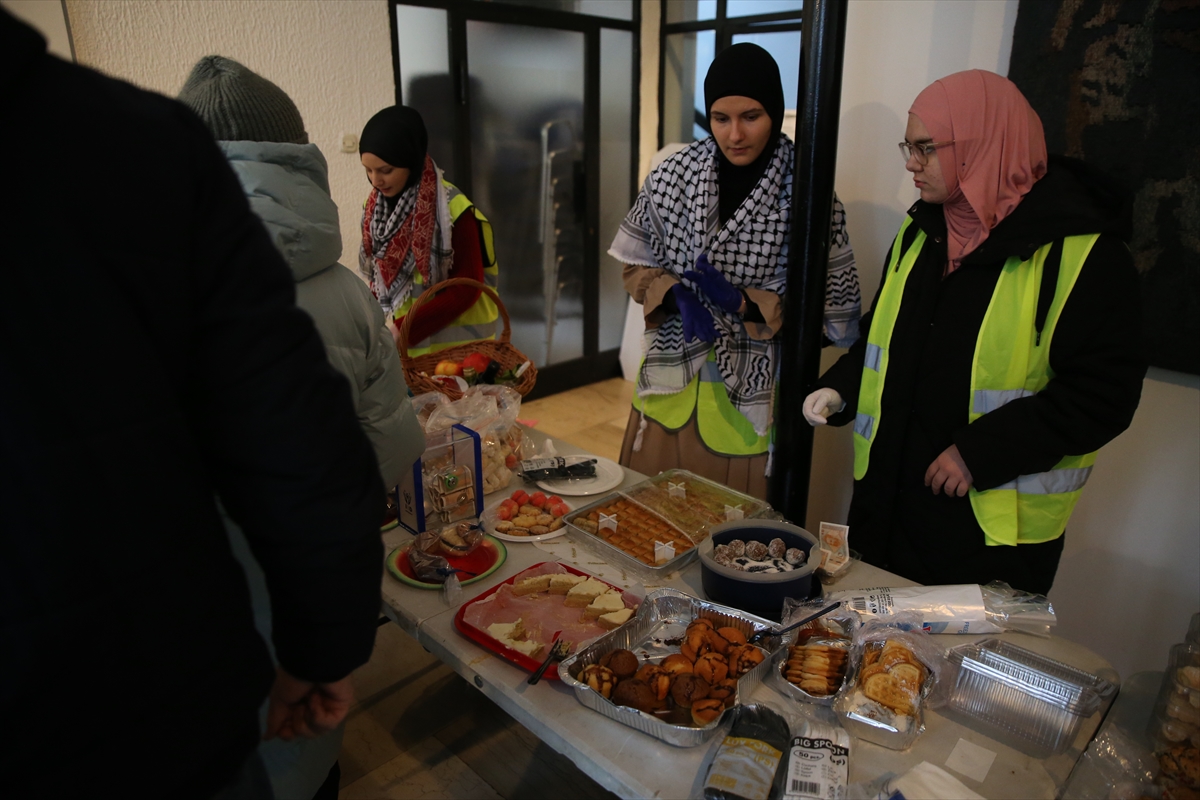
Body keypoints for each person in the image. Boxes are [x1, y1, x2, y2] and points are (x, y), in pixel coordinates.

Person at [2, 11, 386, 798]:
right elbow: (322, 454)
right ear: (306, 153)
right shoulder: (137, 152)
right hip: (171, 689)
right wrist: (324, 645)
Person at [178, 56, 427, 799]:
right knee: (308, 746)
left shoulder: (144, 287)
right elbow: (395, 442)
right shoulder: (346, 292)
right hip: (316, 587)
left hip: (194, 603)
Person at [803, 70, 1146, 595]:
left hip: (986, 541)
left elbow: (1104, 394)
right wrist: (842, 387)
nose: (910, 164)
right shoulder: (921, 232)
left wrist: (980, 451)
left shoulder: (1084, 258)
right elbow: (883, 335)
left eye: (925, 148)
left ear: (986, 143)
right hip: (886, 508)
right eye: (908, 146)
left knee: (958, 673)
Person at [609, 43, 861, 500]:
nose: (735, 134)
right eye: (720, 118)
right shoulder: (674, 176)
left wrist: (747, 304)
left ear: (775, 111)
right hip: (668, 388)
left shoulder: (807, 192)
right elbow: (635, 263)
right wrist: (672, 295)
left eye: (752, 116)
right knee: (647, 523)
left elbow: (829, 315)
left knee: (730, 537)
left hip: (748, 404)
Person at [358, 106, 499, 357]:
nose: (375, 181)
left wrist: (402, 329)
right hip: (409, 354)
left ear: (410, 159)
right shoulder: (374, 210)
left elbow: (467, 288)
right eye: (368, 170)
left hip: (460, 357)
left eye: (385, 170)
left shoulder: (454, 210)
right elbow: (380, 280)